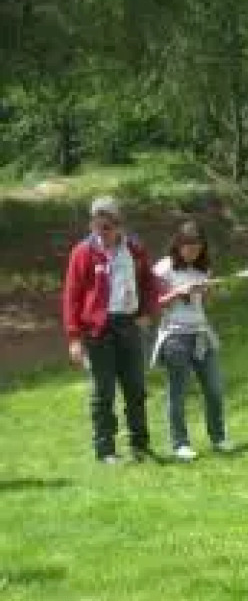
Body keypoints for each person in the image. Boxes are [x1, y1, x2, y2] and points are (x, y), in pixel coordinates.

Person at [62, 197, 161, 464]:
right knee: (103, 393)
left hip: (129, 325)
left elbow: (149, 283)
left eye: (107, 227)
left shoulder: (135, 249)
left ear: (119, 225)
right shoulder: (82, 253)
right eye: (96, 226)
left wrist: (147, 313)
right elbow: (72, 296)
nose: (101, 232)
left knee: (136, 389)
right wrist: (74, 338)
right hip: (98, 330)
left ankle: (140, 446)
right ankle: (105, 450)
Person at [151, 221, 232, 461]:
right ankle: (180, 444)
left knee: (214, 389)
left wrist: (208, 291)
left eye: (198, 248)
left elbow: (203, 304)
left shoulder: (203, 269)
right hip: (175, 336)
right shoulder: (163, 268)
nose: (193, 252)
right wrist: (178, 292)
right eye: (189, 247)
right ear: (178, 245)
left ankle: (219, 438)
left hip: (201, 334)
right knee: (177, 393)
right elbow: (154, 303)